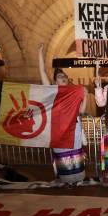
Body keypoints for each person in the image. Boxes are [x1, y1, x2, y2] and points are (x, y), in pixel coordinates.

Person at [38, 43, 88, 186]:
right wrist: (40, 54)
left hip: (74, 127)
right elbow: (42, 73)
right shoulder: (52, 92)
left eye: (65, 76)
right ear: (55, 81)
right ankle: (65, 180)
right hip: (59, 128)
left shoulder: (73, 92)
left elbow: (82, 111)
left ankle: (77, 179)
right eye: (60, 76)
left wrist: (85, 97)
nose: (63, 78)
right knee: (62, 153)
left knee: (75, 152)